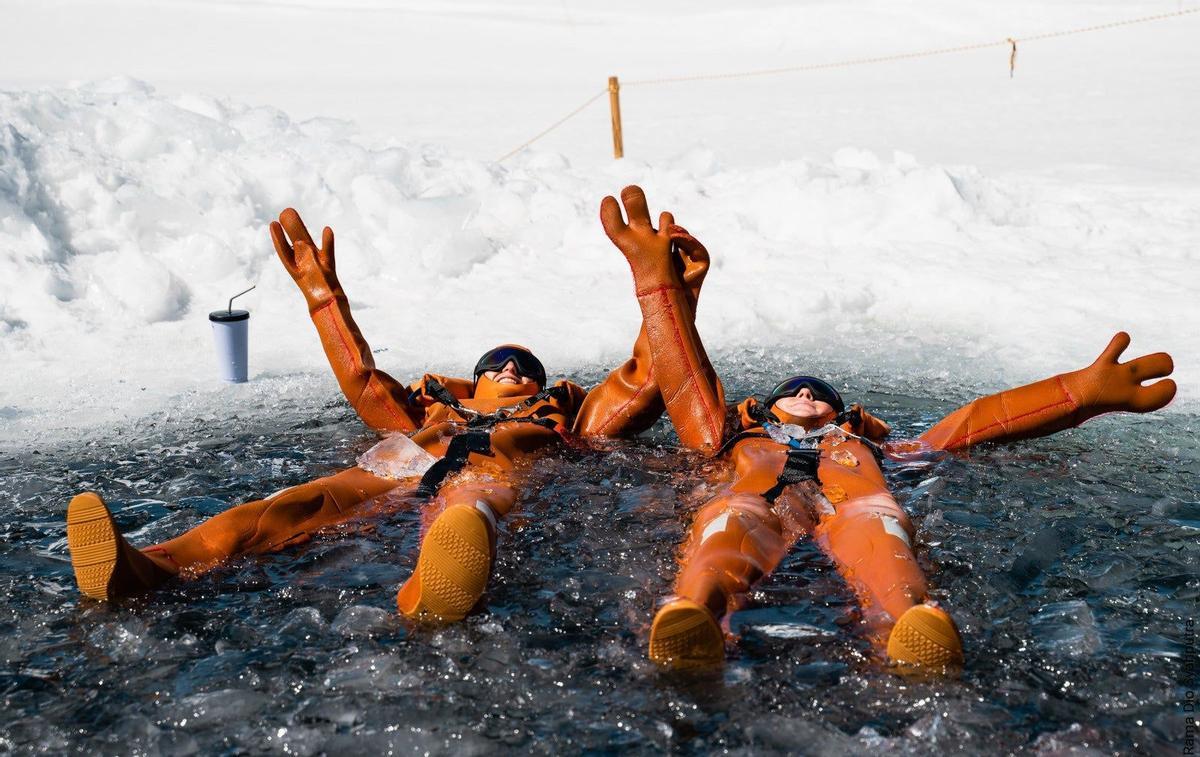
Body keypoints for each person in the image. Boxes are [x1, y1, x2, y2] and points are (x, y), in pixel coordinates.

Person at [595, 185, 1177, 671]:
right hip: (758, 500)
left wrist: (1077, 393)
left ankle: (908, 624)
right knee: (730, 520)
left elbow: (975, 422)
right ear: (765, 410)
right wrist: (658, 284)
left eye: (820, 395)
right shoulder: (729, 436)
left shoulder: (873, 445)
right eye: (792, 393)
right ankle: (696, 611)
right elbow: (684, 382)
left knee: (880, 527)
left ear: (842, 413)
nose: (805, 394)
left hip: (856, 504)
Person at [65, 203, 711, 623]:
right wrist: (324, 296)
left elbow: (644, 379)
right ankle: (147, 565)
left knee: (472, 506)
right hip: (405, 464)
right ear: (476, 378)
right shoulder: (435, 404)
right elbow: (366, 384)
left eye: (524, 367)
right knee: (285, 508)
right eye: (499, 363)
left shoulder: (563, 416)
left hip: (492, 470)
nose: (511, 370)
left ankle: (431, 590)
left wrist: (671, 294)